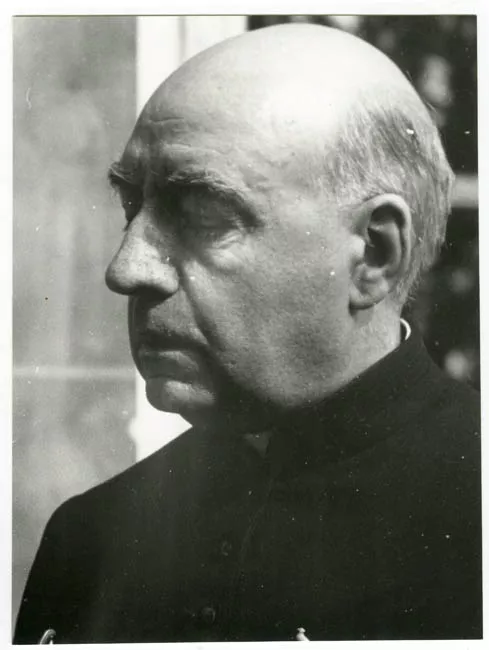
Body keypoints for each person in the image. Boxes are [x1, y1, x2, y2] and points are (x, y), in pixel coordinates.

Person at [14, 23, 481, 643]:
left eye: (204, 215)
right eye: (132, 207)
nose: (125, 269)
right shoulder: (89, 541)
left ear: (374, 255)